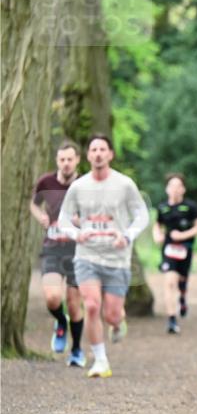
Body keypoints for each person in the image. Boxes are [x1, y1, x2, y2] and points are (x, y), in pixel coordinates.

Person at [58, 134, 149, 378]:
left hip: (117, 258)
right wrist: (76, 234)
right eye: (93, 149)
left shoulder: (124, 184)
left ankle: (119, 321)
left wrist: (127, 235)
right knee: (91, 305)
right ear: (87, 156)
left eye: (102, 149)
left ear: (110, 154)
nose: (98, 153)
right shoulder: (78, 187)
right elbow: (63, 218)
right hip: (87, 256)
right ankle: (100, 360)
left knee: (111, 314)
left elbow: (142, 214)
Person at [30, 140, 86, 366]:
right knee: (53, 298)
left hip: (77, 251)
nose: (65, 164)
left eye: (69, 159)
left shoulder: (85, 184)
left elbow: (97, 215)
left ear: (77, 160)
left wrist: (79, 221)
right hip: (52, 248)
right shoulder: (46, 181)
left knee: (74, 303)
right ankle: (60, 323)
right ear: (57, 161)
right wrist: (40, 216)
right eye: (62, 159)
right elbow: (33, 204)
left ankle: (77, 350)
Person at [152, 173, 197, 334]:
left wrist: (183, 235)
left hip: (185, 249)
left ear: (183, 189)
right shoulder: (162, 207)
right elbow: (157, 225)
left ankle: (182, 298)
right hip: (168, 249)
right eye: (171, 186)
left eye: (178, 186)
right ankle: (171, 320)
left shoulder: (191, 206)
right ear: (167, 189)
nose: (175, 189)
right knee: (169, 282)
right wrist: (157, 235)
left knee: (181, 281)